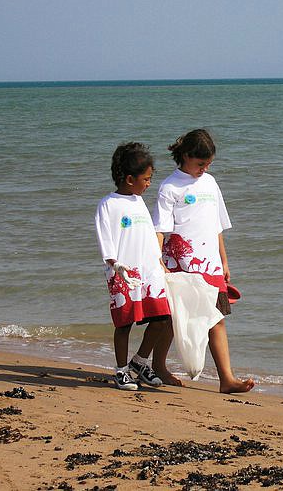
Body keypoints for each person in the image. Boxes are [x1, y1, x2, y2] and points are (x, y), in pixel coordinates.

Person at [153, 129, 255, 394]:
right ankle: (158, 366)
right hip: (180, 266)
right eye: (200, 164)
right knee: (173, 320)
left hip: (210, 265)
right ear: (185, 156)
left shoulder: (210, 183)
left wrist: (224, 261)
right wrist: (158, 261)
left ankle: (227, 379)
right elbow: (160, 230)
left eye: (208, 164)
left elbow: (217, 226)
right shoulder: (170, 187)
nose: (204, 168)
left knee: (216, 318)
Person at [94, 142, 179, 390]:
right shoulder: (108, 204)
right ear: (130, 179)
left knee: (162, 318)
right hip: (123, 274)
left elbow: (148, 236)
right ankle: (121, 371)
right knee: (124, 324)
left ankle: (139, 362)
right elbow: (105, 237)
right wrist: (114, 263)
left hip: (149, 273)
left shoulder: (139, 201)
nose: (149, 183)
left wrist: (160, 263)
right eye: (147, 178)